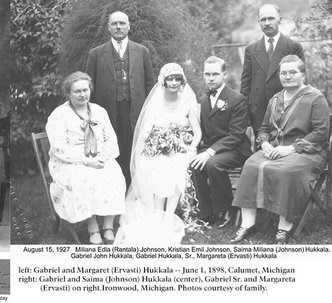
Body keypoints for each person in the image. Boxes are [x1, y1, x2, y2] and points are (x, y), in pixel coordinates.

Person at [231, 55, 330, 244]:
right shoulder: (275, 99)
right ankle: (247, 223)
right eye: (283, 73)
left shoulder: (315, 98)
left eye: (293, 72)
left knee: (285, 171)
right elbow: (264, 129)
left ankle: (284, 227)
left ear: (303, 75)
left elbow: (321, 133)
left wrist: (291, 149)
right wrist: (265, 144)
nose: (287, 76)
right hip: (275, 149)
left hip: (308, 151)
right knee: (250, 165)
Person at [114, 63, 201, 245]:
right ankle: (158, 212)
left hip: (180, 149)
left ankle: (169, 216)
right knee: (160, 165)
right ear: (163, 81)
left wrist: (191, 147)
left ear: (182, 81)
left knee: (178, 164)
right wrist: (155, 145)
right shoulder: (155, 103)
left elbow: (197, 131)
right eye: (170, 79)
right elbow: (145, 132)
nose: (174, 82)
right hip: (156, 149)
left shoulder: (186, 102)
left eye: (178, 79)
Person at [45, 71, 126, 245]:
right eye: (77, 91)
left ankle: (108, 226)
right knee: (83, 178)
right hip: (70, 161)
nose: (83, 94)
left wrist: (103, 158)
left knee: (114, 173)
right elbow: (60, 148)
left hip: (99, 157)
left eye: (85, 90)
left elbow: (111, 139)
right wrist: (86, 161)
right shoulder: (59, 115)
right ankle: (92, 227)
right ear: (68, 93)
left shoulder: (99, 111)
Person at [85, 11, 155, 187]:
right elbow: (89, 86)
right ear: (108, 27)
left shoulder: (142, 51)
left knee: (133, 152)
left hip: (135, 111)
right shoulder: (96, 53)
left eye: (122, 23)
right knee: (112, 152)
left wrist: (150, 112)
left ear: (129, 26)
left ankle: (134, 193)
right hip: (108, 111)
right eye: (114, 24)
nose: (118, 27)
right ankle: (113, 192)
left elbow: (150, 84)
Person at [190, 56, 252, 227]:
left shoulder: (236, 99)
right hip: (214, 148)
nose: (211, 78)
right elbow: (204, 132)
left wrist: (210, 152)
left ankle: (227, 208)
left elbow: (236, 135)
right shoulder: (203, 99)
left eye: (215, 74)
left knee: (212, 164)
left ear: (224, 75)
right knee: (195, 164)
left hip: (236, 149)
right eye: (207, 74)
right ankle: (206, 212)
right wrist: (199, 150)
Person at [240, 3, 304, 136]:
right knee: (261, 152)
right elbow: (245, 86)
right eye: (263, 20)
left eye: (271, 18)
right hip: (259, 113)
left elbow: (302, 82)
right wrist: (245, 118)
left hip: (286, 111)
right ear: (259, 22)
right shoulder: (251, 50)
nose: (267, 23)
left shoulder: (293, 47)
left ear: (279, 20)